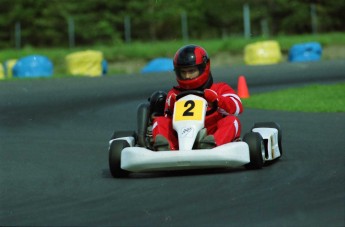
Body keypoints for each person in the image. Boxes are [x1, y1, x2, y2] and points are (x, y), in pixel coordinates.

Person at [152, 44, 243, 151]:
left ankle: (211, 144)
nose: (187, 76)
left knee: (232, 120)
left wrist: (217, 101)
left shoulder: (220, 88)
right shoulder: (174, 93)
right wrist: (171, 107)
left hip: (212, 132)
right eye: (183, 72)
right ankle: (166, 147)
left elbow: (237, 108)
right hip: (180, 136)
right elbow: (167, 119)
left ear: (204, 68)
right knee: (160, 121)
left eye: (191, 71)